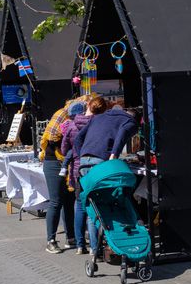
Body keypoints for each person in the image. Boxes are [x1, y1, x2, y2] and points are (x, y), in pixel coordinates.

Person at [62, 96, 107, 255]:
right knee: (95, 207)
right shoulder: (100, 124)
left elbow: (63, 149)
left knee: (80, 205)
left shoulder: (72, 125)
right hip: (96, 168)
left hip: (77, 169)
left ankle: (80, 245)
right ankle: (96, 246)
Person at [39, 99, 80, 253]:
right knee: (56, 201)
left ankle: (70, 238)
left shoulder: (71, 119)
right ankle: (51, 241)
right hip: (53, 163)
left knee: (69, 201)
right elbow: (54, 139)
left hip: (65, 163)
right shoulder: (62, 118)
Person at [74, 103, 139, 174]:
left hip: (83, 161)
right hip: (101, 161)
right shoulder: (131, 121)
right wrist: (113, 156)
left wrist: (82, 155)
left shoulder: (98, 117)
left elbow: (78, 138)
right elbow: (121, 135)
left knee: (89, 185)